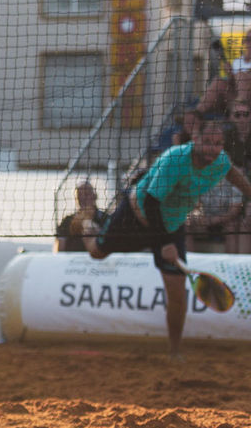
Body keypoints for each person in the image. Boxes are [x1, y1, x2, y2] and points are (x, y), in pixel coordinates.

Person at [83, 119, 251, 358]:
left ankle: (174, 351)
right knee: (96, 252)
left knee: (177, 294)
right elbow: (152, 203)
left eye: (218, 144)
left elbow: (233, 174)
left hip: (172, 224)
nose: (213, 149)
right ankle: (89, 224)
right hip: (136, 217)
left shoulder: (220, 161)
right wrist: (166, 244)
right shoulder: (176, 159)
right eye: (208, 142)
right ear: (195, 139)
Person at [55, 181, 108, 253]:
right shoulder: (67, 221)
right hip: (71, 261)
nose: (82, 198)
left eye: (86, 194)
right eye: (79, 195)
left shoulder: (105, 219)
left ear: (95, 196)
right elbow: (59, 248)